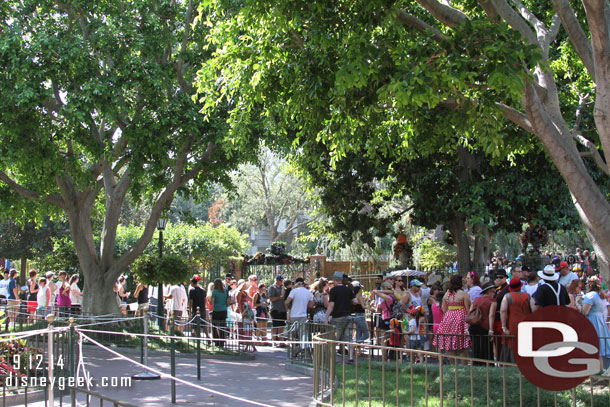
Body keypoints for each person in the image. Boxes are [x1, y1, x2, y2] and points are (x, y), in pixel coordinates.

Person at [433, 275, 471, 360]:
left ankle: (453, 366)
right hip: (461, 319)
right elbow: (468, 309)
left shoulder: (446, 294)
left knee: (450, 344)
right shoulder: (464, 294)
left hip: (448, 319)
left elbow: (444, 309)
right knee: (462, 345)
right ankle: (464, 366)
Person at [325, 272, 356, 361]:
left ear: (335, 280)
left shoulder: (333, 290)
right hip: (348, 316)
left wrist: (326, 317)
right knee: (349, 337)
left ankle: (331, 358)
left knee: (335, 337)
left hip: (337, 316)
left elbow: (331, 305)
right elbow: (354, 301)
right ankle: (350, 357)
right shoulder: (348, 290)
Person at [499, 277, 532, 362]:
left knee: (512, 344)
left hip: (512, 325)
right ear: (520, 286)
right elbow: (534, 309)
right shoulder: (527, 296)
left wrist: (504, 327)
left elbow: (503, 310)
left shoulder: (508, 296)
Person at [582, 276, 610, 369]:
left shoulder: (590, 295)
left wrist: (579, 307)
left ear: (590, 285)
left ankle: (597, 371)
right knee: (600, 348)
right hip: (600, 321)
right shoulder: (601, 295)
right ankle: (601, 370)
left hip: (592, 322)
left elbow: (585, 312)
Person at [469, 283, 495, 363]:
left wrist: (467, 327)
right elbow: (491, 315)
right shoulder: (492, 301)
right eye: (493, 292)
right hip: (485, 327)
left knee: (476, 348)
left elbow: (470, 312)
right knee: (486, 349)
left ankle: (476, 365)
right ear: (489, 291)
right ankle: (487, 367)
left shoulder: (476, 300)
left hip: (473, 326)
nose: (494, 294)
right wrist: (491, 330)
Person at [268, 275, 287, 346]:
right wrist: (279, 297)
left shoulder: (283, 288)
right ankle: (274, 341)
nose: (282, 282)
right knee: (275, 325)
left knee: (282, 325)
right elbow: (271, 298)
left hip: (283, 309)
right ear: (276, 280)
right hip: (275, 309)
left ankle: (281, 340)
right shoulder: (272, 287)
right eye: (280, 280)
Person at [210, 278, 229, 348]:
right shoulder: (225, 291)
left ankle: (216, 341)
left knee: (214, 326)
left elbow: (211, 302)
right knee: (222, 326)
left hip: (216, 310)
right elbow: (227, 302)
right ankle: (222, 341)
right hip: (224, 310)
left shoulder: (214, 291)